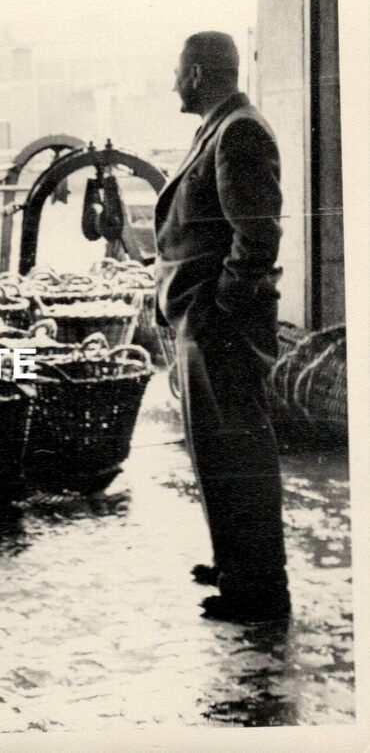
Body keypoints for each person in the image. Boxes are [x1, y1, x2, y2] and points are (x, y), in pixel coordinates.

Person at [154, 31, 289, 624]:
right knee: (217, 450)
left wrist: (221, 311)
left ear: (198, 74)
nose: (173, 84)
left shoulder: (240, 132)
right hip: (203, 320)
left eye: (178, 72)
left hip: (220, 325)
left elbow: (256, 237)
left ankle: (259, 588)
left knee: (239, 451)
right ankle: (235, 561)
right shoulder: (218, 128)